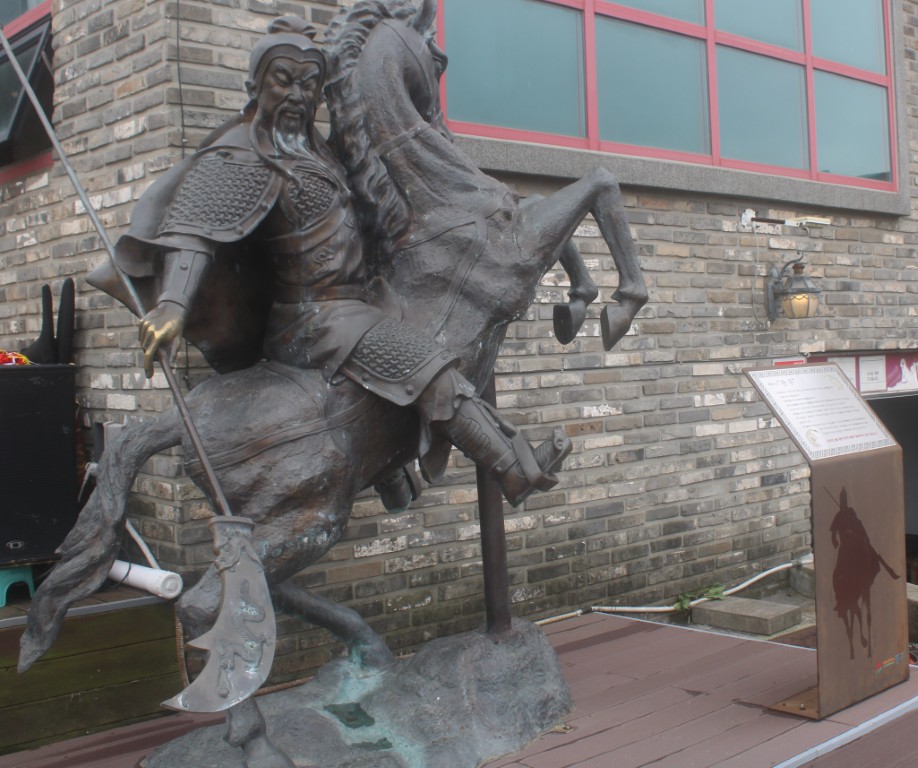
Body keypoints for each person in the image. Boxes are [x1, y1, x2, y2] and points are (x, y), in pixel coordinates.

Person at [88, 16, 569, 509]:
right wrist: (172, 306)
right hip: (314, 319)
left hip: (357, 303)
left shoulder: (316, 151)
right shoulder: (244, 153)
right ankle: (514, 471)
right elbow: (197, 229)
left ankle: (389, 469)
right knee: (429, 367)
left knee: (411, 338)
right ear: (255, 86)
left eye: (308, 84)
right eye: (284, 81)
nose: (297, 96)